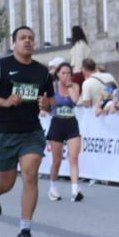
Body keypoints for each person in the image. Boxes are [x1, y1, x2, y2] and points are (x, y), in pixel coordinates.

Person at [0, 26, 55, 237]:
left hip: (31, 132)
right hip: (3, 133)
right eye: (22, 38)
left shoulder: (42, 72)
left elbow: (52, 100)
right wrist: (5, 102)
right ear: (14, 43)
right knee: (7, 183)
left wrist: (46, 104)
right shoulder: (1, 65)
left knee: (30, 175)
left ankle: (24, 231)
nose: (27, 41)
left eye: (31, 38)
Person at [46, 62, 84, 203]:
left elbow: (74, 100)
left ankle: (75, 190)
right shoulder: (53, 87)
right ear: (57, 74)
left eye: (69, 73)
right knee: (56, 160)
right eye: (63, 73)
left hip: (71, 123)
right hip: (57, 123)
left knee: (73, 157)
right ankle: (53, 188)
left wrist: (69, 86)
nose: (66, 75)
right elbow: (48, 104)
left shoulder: (74, 86)